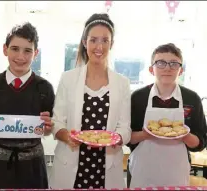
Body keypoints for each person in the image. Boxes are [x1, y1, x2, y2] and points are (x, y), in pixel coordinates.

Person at [49, 13, 131, 189]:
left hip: (107, 167)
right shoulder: (68, 79)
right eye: (93, 40)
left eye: (105, 40)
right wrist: (67, 136)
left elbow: (125, 127)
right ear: (85, 42)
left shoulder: (122, 83)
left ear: (112, 44)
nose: (99, 46)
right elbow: (56, 122)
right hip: (71, 164)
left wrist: (116, 138)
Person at [0, 22, 55, 189]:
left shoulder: (45, 87)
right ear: (5, 49)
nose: (20, 56)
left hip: (33, 167)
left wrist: (48, 126)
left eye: (27, 51)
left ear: (36, 53)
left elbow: (48, 128)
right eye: (15, 49)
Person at [127, 43, 207, 188]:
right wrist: (145, 135)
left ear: (181, 70)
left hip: (176, 173)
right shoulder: (138, 97)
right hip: (143, 171)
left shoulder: (192, 98)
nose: (167, 68)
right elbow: (127, 138)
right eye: (161, 63)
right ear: (151, 69)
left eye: (174, 64)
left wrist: (183, 135)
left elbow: (201, 142)